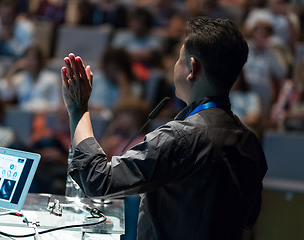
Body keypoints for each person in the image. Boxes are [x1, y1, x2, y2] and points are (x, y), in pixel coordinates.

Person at [60, 16, 267, 240]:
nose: (173, 66)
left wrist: (78, 110)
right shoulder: (250, 142)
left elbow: (97, 181)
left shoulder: (180, 137)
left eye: (178, 59)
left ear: (192, 68)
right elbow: (249, 217)